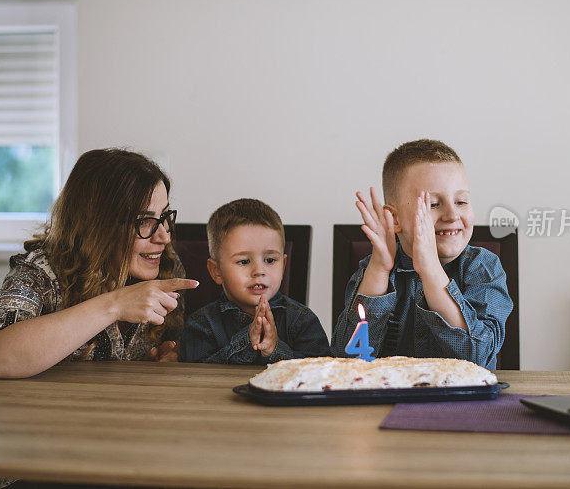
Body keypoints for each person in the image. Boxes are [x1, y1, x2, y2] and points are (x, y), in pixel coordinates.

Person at [0, 148, 199, 380]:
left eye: (163, 217)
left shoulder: (166, 264)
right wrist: (115, 305)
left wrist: (169, 358)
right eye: (144, 221)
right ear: (97, 227)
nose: (164, 237)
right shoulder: (41, 270)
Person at [331, 139, 512, 369]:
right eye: (434, 204)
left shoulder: (483, 267)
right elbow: (346, 363)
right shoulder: (372, 271)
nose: (452, 215)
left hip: (461, 403)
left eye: (461, 201)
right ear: (394, 219)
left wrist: (431, 270)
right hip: (388, 401)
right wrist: (379, 268)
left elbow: (478, 359)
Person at [180, 198, 330, 363]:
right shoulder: (201, 325)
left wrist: (275, 350)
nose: (259, 271)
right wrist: (246, 341)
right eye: (244, 261)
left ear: (283, 266)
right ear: (217, 271)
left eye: (270, 260)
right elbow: (196, 378)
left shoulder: (303, 321)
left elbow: (319, 372)